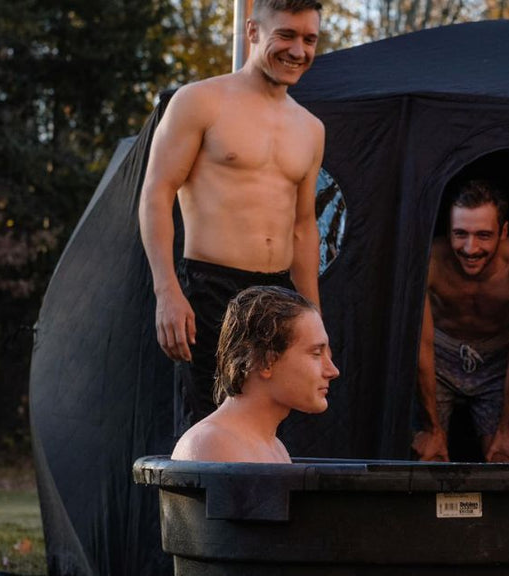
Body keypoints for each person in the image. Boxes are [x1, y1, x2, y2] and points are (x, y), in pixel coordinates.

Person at [138, 0, 325, 435]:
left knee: (270, 425)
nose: (299, 50)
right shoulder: (200, 101)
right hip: (210, 287)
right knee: (210, 423)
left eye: (309, 39)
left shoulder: (311, 128)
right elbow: (156, 193)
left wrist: (311, 312)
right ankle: (203, 507)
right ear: (254, 31)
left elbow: (303, 227)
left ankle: (258, 507)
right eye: (287, 36)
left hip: (278, 294)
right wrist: (166, 289)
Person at [413, 180, 509, 463]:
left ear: (503, 232)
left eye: (483, 235)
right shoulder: (429, 263)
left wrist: (508, 427)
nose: (470, 247)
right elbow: (421, 346)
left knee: (505, 457)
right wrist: (432, 428)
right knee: (428, 456)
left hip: (497, 360)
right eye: (460, 234)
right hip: (439, 356)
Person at [172, 286, 339, 463]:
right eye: (316, 353)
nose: (332, 371)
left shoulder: (275, 448)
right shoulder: (212, 443)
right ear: (267, 363)